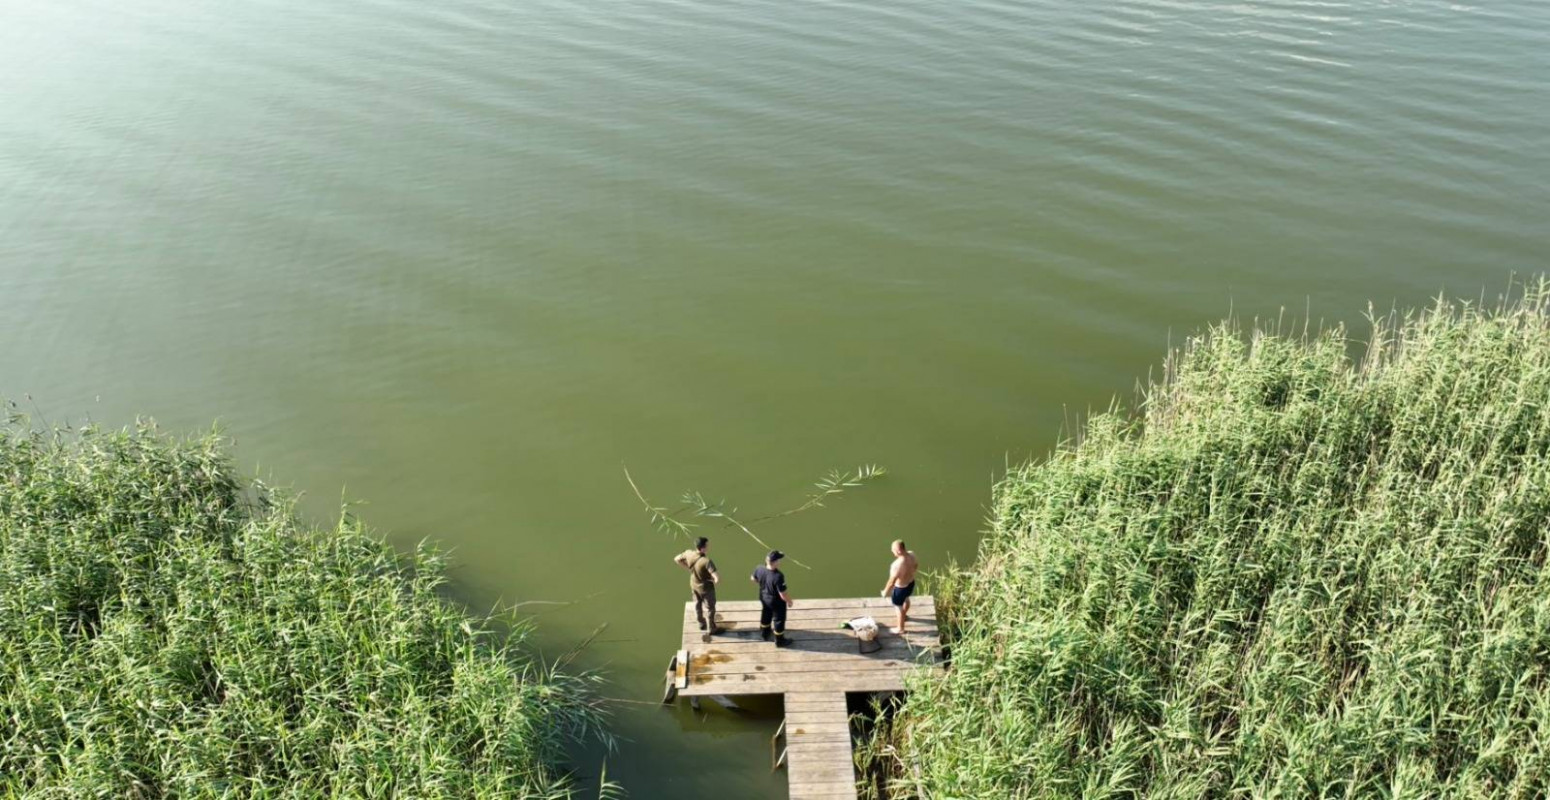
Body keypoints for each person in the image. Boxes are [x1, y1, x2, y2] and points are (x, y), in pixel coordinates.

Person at [674, 536, 721, 634]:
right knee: (710, 608)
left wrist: (687, 568)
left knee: (697, 604)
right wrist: (714, 580)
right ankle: (711, 628)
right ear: (703, 548)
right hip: (706, 588)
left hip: (694, 584)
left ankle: (701, 623)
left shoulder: (688, 553)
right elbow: (716, 578)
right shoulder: (707, 561)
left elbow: (677, 559)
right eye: (707, 545)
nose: (709, 547)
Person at [751, 550, 794, 647]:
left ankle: (764, 633)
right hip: (776, 602)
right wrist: (789, 602)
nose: (780, 562)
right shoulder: (778, 576)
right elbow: (783, 594)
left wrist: (764, 584)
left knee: (766, 613)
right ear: (774, 562)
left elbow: (753, 579)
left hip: (763, 597)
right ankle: (779, 641)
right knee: (779, 619)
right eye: (779, 560)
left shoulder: (759, 568)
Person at [880, 539, 918, 635]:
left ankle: (900, 628)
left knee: (898, 607)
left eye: (893, 550)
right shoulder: (912, 554)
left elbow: (891, 581)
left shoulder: (896, 565)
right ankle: (904, 617)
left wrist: (885, 591)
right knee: (907, 599)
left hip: (900, 589)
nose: (892, 553)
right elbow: (916, 565)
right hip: (911, 583)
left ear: (898, 551)